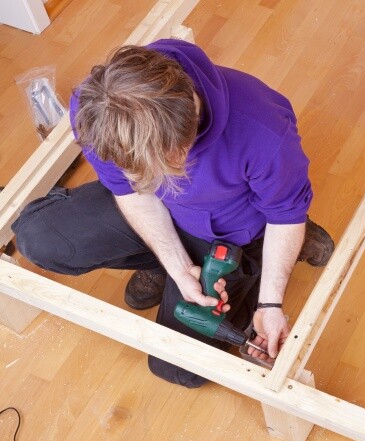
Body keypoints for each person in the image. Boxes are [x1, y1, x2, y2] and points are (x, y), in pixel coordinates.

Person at [12, 39, 334, 388]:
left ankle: (281, 241)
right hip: (158, 212)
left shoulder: (263, 131)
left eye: (158, 169)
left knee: (178, 369)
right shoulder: (99, 111)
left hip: (233, 229)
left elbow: (284, 218)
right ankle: (159, 263)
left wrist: (271, 304)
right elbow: (131, 194)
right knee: (38, 237)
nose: (147, 181)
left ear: (188, 136)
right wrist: (178, 268)